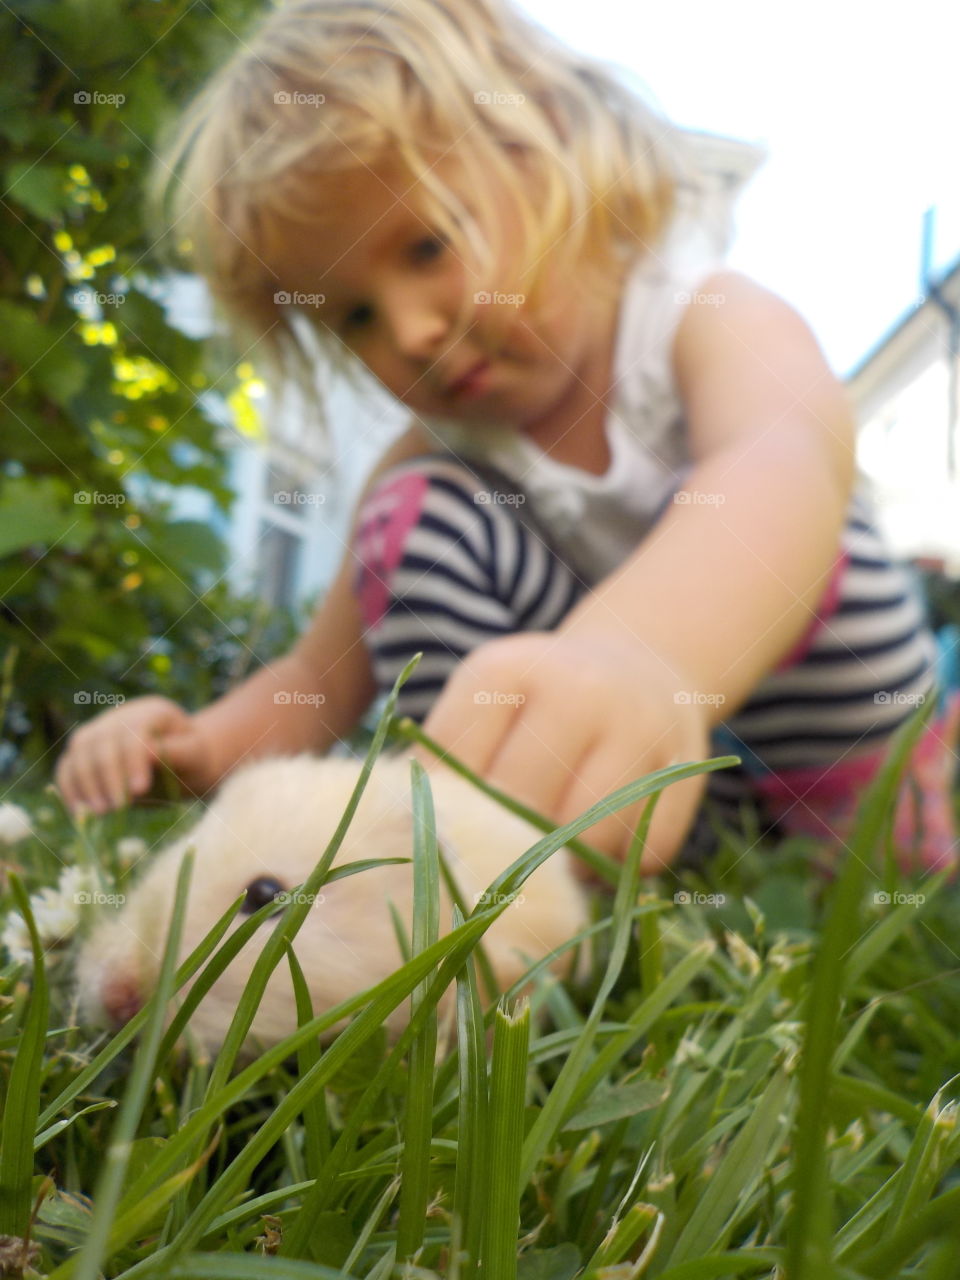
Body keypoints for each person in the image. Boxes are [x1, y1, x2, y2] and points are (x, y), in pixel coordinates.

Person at [54, 0, 959, 875]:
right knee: (405, 520)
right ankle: (511, 838)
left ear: (544, 147)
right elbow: (318, 676)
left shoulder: (702, 316)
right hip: (675, 783)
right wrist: (194, 752)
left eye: (426, 248)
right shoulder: (441, 447)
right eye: (354, 315)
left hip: (849, 760)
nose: (407, 329)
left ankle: (901, 834)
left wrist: (641, 659)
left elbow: (783, 461)